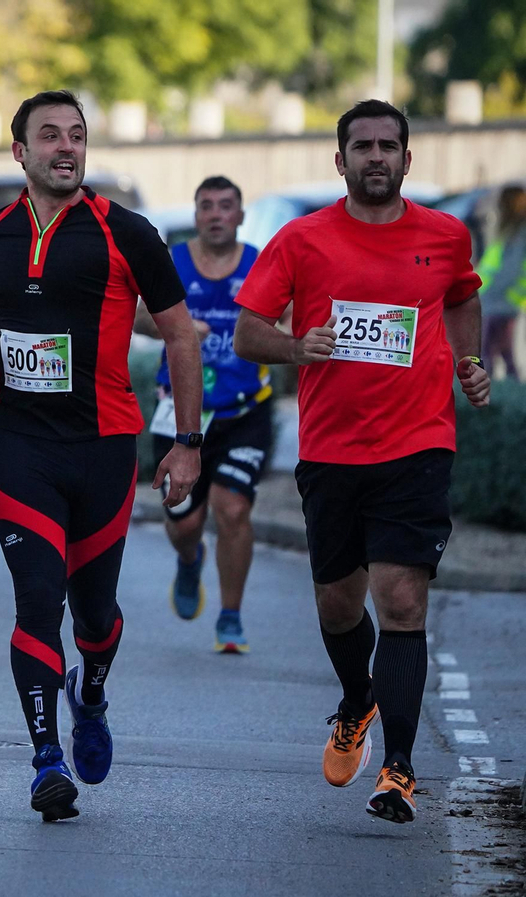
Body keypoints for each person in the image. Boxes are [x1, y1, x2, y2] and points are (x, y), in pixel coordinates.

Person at [0, 90, 204, 821]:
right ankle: (45, 760)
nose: (66, 146)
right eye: (50, 135)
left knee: (94, 615)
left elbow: (182, 337)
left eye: (77, 135)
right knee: (37, 599)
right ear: (19, 151)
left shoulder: (127, 232)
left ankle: (91, 690)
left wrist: (186, 444)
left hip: (103, 448)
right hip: (19, 445)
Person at [233, 100, 490, 825]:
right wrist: (296, 347)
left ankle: (400, 768)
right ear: (339, 160)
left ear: (408, 160)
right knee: (338, 604)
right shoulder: (302, 239)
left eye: (388, 146)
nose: (375, 156)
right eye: (362, 146)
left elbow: (464, 297)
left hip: (417, 445)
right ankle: (357, 698)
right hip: (331, 451)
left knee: (402, 600)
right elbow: (250, 331)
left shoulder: (444, 236)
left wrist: (467, 360)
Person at [134, 176, 272, 652]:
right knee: (185, 523)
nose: (216, 214)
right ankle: (190, 561)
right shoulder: (172, 262)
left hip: (243, 412)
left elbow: (289, 319)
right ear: (196, 216)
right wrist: (175, 326)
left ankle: (231, 617)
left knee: (233, 509)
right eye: (206, 206)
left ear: (240, 215)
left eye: (225, 206)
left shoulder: (259, 264)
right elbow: (134, 317)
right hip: (177, 413)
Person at [476, 185, 525, 379]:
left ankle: (487, 400)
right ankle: (510, 398)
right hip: (503, 301)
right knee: (504, 353)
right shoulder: (514, 232)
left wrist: (488, 293)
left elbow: (509, 270)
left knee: (487, 351)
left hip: (498, 301)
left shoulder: (517, 233)